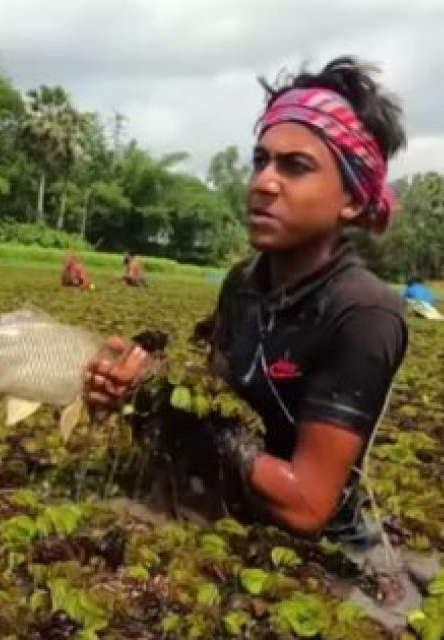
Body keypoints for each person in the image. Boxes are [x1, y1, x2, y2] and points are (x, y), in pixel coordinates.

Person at [84, 56, 408, 544]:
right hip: (225, 514)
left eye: (295, 167)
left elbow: (305, 507)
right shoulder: (245, 284)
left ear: (353, 200)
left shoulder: (362, 312)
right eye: (261, 161)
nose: (263, 183)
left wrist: (169, 401)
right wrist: (130, 396)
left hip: (317, 553)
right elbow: (214, 404)